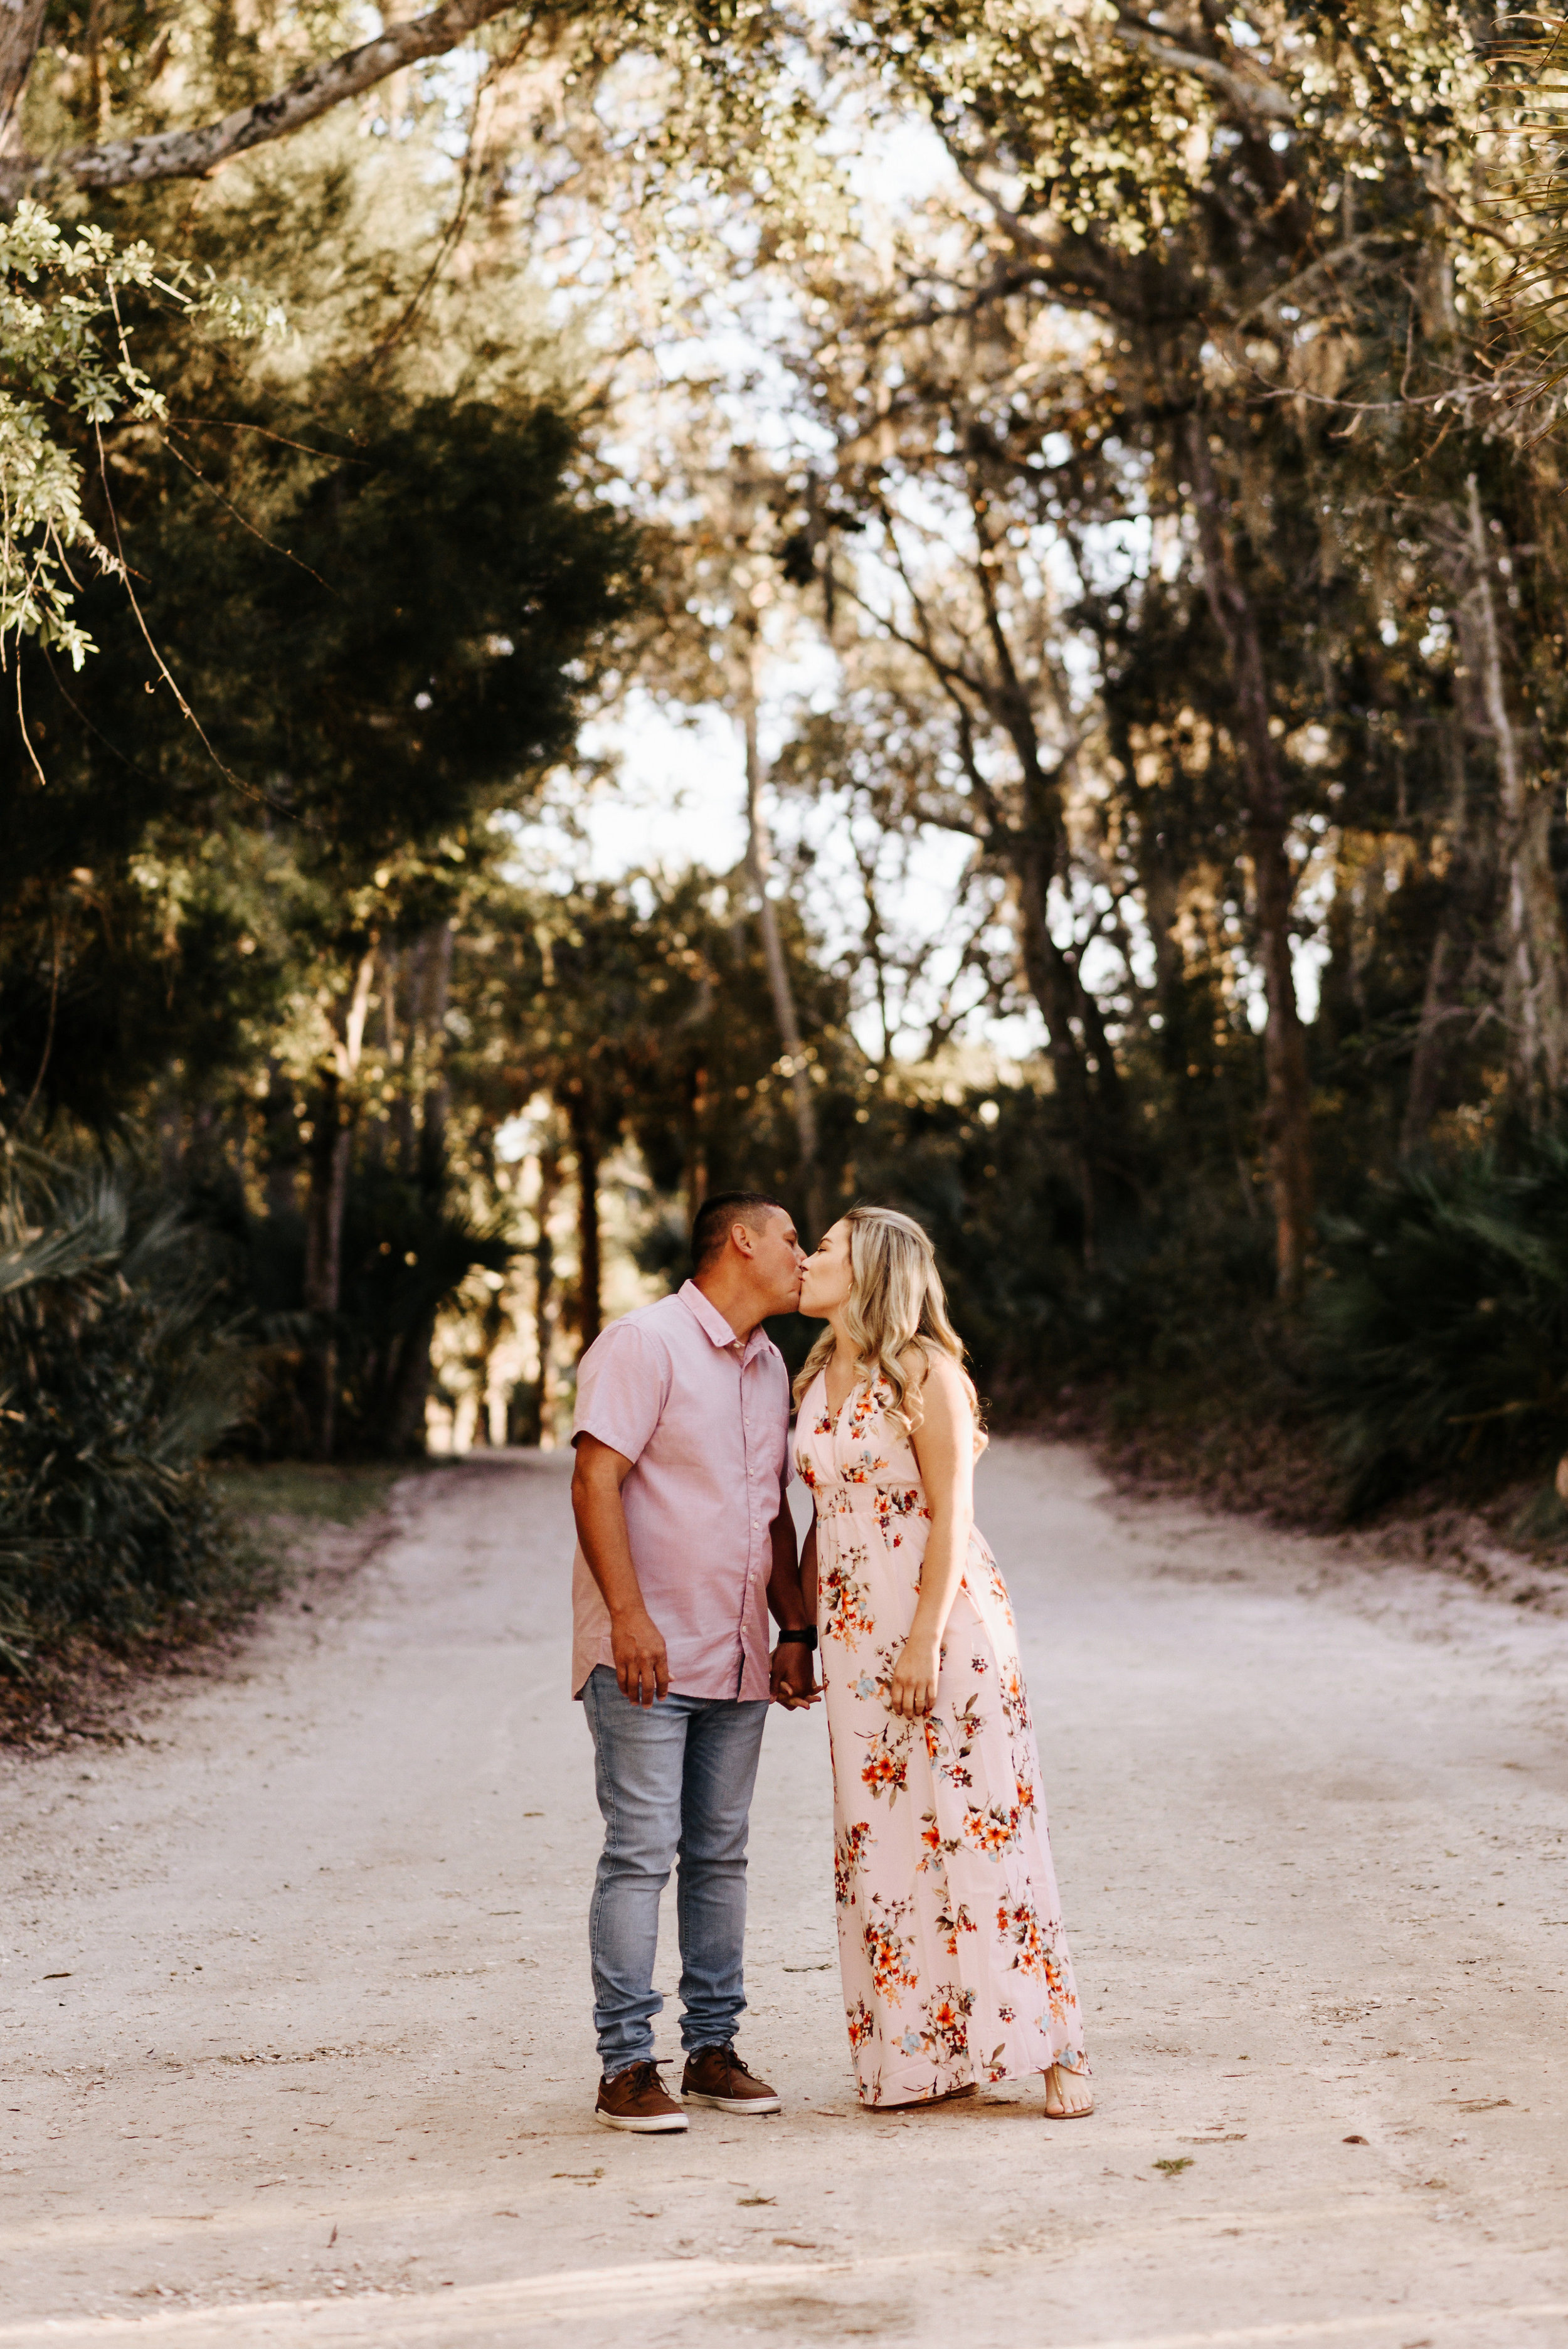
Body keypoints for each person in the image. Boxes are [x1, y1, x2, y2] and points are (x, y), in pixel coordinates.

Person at [788, 1204, 1093, 2116]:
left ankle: (1056, 2048)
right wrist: (802, 1634)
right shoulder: (815, 1376)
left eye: (828, 1249)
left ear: (871, 1267)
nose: (806, 1260)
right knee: (885, 1841)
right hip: (851, 1638)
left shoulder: (930, 1373)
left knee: (983, 1824)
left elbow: (951, 1514)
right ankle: (923, 2056)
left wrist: (922, 1638)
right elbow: (823, 1518)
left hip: (944, 1626)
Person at [569, 1192, 820, 2134]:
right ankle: (625, 2065)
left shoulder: (769, 1365)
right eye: (793, 1238)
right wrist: (627, 1618)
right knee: (640, 1854)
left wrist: (792, 1631)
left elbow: (771, 1509)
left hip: (739, 1652)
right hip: (649, 1652)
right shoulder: (645, 1343)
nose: (804, 1254)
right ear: (742, 1240)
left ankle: (712, 2050)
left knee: (720, 1855)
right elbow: (594, 1478)